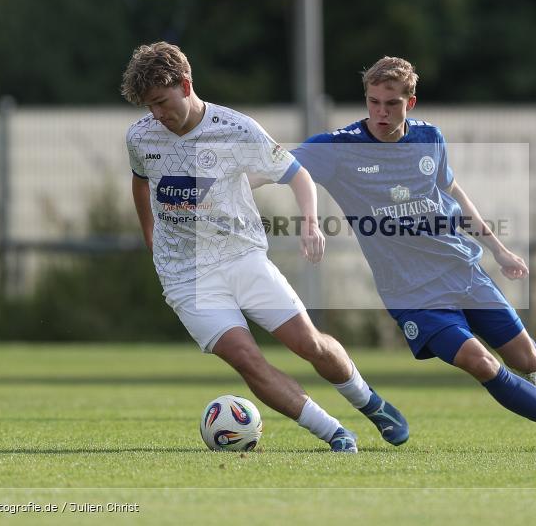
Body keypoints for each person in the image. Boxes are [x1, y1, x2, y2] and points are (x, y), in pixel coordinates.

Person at [263, 56, 536, 452]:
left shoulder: (429, 139)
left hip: (463, 271)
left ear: (410, 103)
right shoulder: (340, 147)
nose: (380, 112)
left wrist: (499, 249)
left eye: (391, 104)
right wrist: (232, 188)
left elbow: (452, 192)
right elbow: (275, 166)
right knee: (481, 363)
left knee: (528, 358)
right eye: (373, 102)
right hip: (413, 295)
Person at [121, 42, 408, 452]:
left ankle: (368, 401)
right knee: (246, 359)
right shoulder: (141, 135)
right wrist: (150, 235)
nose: (157, 115)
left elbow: (297, 174)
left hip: (242, 257)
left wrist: (310, 221)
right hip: (185, 274)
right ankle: (335, 434)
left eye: (162, 102)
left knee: (308, 343)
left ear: (186, 85)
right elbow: (140, 179)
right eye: (149, 106)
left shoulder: (236, 130)